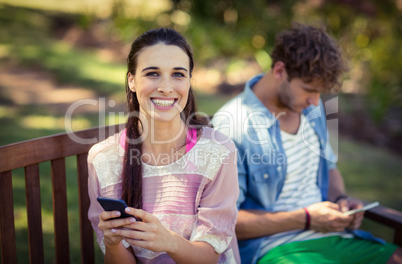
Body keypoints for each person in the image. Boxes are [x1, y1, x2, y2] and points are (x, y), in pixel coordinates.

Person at [212, 24, 401, 264]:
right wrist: (307, 219)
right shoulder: (234, 125)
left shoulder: (310, 108)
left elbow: (329, 168)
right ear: (280, 70)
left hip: (337, 238)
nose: (315, 102)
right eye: (309, 90)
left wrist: (341, 199)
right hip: (278, 250)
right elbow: (225, 222)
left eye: (320, 93)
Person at [87, 28, 240, 263]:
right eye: (152, 74)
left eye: (178, 74)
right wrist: (112, 241)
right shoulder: (103, 160)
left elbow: (209, 257)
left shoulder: (218, 152)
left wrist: (169, 242)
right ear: (132, 80)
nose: (166, 88)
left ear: (189, 80)